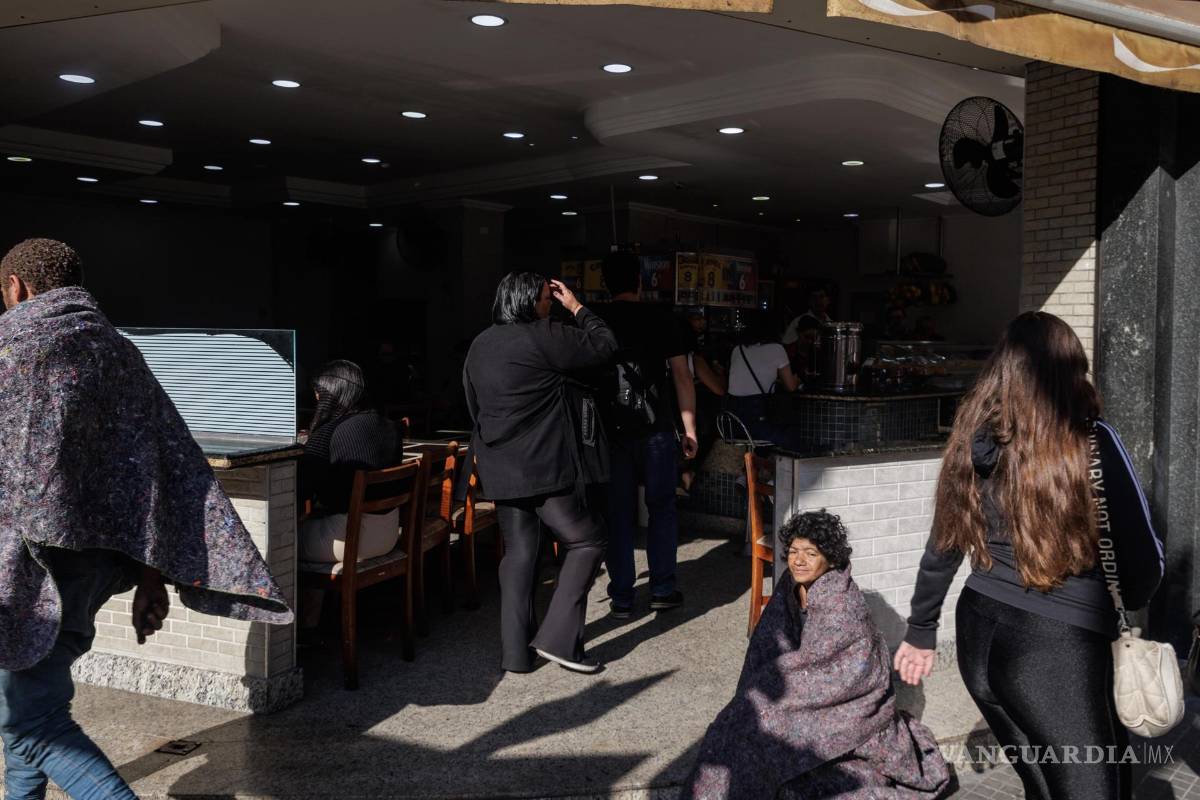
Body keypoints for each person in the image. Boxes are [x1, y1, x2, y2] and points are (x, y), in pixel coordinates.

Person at [0, 239, 292, 800]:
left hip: (25, 569)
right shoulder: (120, 352)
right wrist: (153, 573)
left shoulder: (11, 346)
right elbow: (158, 465)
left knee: (31, 722)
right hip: (91, 569)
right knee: (34, 702)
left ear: (17, 288)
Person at [894, 312, 1165, 800]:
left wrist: (921, 629)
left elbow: (944, 542)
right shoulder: (1092, 443)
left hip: (980, 635)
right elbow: (1143, 560)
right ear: (1071, 369)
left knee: (1042, 785)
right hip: (1055, 648)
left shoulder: (973, 442)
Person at [684, 511, 950, 799]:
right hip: (805, 682)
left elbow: (837, 669)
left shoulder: (840, 602)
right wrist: (765, 685)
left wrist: (780, 694)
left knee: (768, 726)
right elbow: (768, 641)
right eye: (794, 551)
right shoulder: (791, 584)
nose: (799, 560)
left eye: (811, 553)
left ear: (831, 559)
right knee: (743, 716)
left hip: (850, 696)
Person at [464, 272, 616, 674]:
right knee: (587, 540)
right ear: (532, 301)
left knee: (520, 553)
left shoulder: (480, 344)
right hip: (544, 465)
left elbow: (472, 403)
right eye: (547, 298)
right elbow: (605, 347)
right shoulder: (542, 334)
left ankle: (515, 655)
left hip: (499, 464)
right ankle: (558, 640)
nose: (551, 304)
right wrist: (577, 306)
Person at [592, 252, 698, 619]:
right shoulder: (663, 319)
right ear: (640, 281)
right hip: (656, 427)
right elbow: (683, 376)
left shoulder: (594, 320)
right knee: (662, 507)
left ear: (606, 282)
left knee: (617, 513)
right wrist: (689, 429)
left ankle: (621, 597)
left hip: (612, 432)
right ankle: (662, 589)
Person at [297, 360, 405, 634]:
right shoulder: (389, 426)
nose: (316, 399)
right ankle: (314, 622)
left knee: (276, 543)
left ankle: (299, 631)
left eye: (319, 394)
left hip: (349, 541)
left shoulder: (327, 434)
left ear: (331, 395)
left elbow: (302, 490)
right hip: (389, 533)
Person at [725, 313, 805, 450]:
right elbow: (790, 386)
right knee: (797, 436)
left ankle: (757, 464)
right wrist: (797, 380)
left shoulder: (737, 350)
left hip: (732, 425)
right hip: (758, 424)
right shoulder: (776, 349)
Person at [680, 308, 727, 496]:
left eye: (702, 319)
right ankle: (687, 474)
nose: (701, 323)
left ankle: (683, 476)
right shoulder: (694, 358)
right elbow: (719, 388)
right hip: (690, 421)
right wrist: (720, 374)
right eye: (696, 319)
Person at [781, 287, 832, 356]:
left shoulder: (831, 324)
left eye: (821, 296)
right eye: (814, 297)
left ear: (828, 300)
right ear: (810, 301)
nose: (818, 301)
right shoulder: (797, 321)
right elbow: (785, 348)